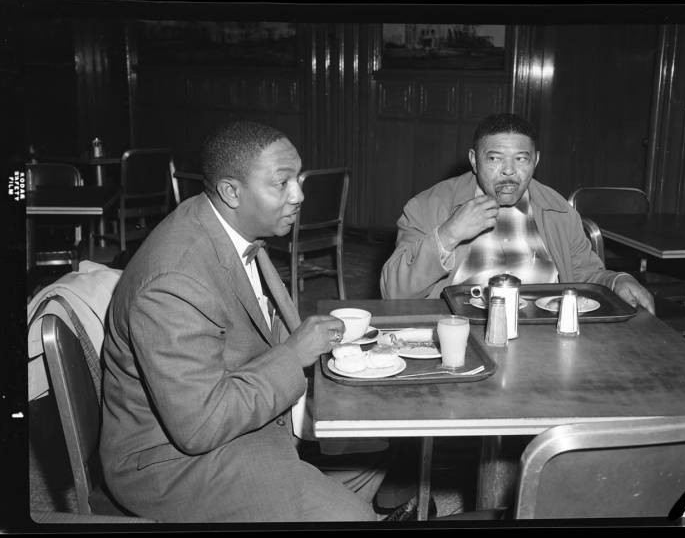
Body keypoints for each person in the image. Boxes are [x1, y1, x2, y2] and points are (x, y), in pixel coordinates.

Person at [100, 120, 389, 522]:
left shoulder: (229, 227)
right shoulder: (174, 282)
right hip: (169, 463)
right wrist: (293, 354)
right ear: (231, 191)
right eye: (282, 183)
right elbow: (199, 427)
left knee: (378, 444)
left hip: (234, 417)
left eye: (298, 179)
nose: (299, 195)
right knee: (353, 517)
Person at [380, 112, 655, 315]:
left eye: (521, 159)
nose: (509, 171)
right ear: (474, 160)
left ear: (535, 160)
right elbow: (394, 293)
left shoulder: (557, 210)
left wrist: (617, 279)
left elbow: (586, 274)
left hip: (544, 332)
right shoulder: (429, 206)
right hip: (462, 330)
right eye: (495, 158)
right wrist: (448, 235)